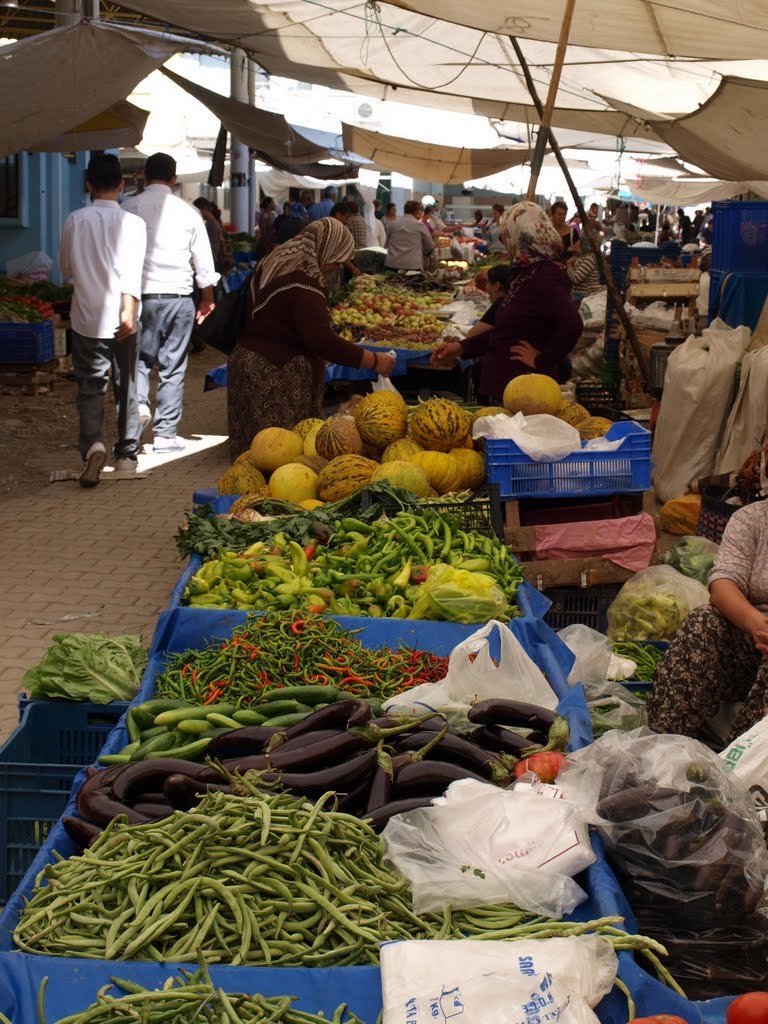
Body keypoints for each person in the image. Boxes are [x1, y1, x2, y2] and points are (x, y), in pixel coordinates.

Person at [227, 219, 397, 459]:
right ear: (325, 249)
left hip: (248, 364)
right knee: (279, 456)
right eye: (336, 260)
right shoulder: (304, 282)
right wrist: (372, 360)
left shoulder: (276, 261)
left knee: (252, 457)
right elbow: (322, 341)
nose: (336, 268)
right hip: (275, 375)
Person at [430, 201, 583, 403]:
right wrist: (461, 348)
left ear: (522, 234)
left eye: (507, 232)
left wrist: (541, 359)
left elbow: (572, 325)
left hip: (525, 394)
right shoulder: (526, 272)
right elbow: (506, 332)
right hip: (509, 390)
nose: (504, 239)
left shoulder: (545, 274)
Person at [58, 153, 147, 486]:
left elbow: (65, 267)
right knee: (127, 383)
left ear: (88, 184)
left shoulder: (75, 220)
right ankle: (126, 455)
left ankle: (94, 444)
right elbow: (133, 271)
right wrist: (128, 310)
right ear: (122, 185)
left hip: (86, 317)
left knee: (91, 386)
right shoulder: (133, 223)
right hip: (125, 315)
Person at [648, 499, 768, 743]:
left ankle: (737, 765)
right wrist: (759, 626)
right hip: (752, 642)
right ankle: (664, 750)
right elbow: (723, 586)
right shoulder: (753, 519)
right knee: (703, 623)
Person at [122, 152, 218, 453]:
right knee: (173, 367)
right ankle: (165, 435)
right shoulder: (189, 212)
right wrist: (207, 298)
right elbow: (204, 262)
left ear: (145, 176)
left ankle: (136, 415)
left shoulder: (129, 207)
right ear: (174, 179)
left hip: (139, 298)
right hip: (178, 297)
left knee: (138, 360)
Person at [385, 200, 434, 272]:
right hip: (412, 265)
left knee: (391, 283)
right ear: (417, 212)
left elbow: (387, 243)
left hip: (392, 264)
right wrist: (425, 254)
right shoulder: (419, 225)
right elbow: (429, 246)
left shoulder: (392, 224)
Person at [465, 264, 513, 337]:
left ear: (497, 285)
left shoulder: (502, 304)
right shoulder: (514, 301)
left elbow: (471, 335)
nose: (486, 288)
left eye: (487, 282)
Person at [193, 198, 223, 271]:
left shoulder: (212, 225)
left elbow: (211, 247)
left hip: (211, 263)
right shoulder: (212, 223)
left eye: (198, 211)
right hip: (212, 262)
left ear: (205, 208)